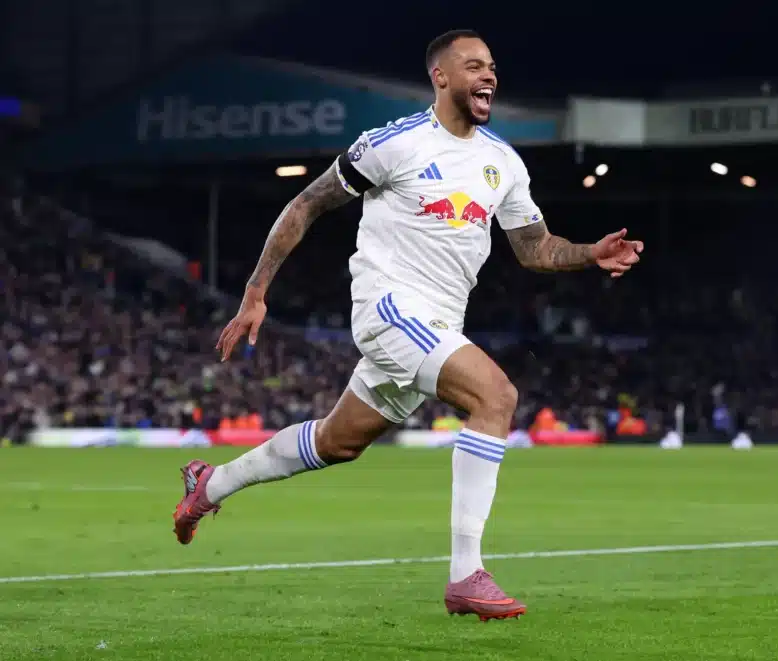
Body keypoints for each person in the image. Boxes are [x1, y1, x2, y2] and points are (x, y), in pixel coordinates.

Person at [172, 29, 642, 621]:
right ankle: (466, 575)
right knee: (495, 396)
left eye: (492, 67)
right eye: (474, 66)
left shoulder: (502, 161)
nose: (489, 76)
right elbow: (307, 203)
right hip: (390, 307)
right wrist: (255, 291)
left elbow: (535, 247)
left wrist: (590, 253)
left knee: (337, 442)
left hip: (438, 322)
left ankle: (209, 484)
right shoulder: (394, 143)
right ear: (440, 77)